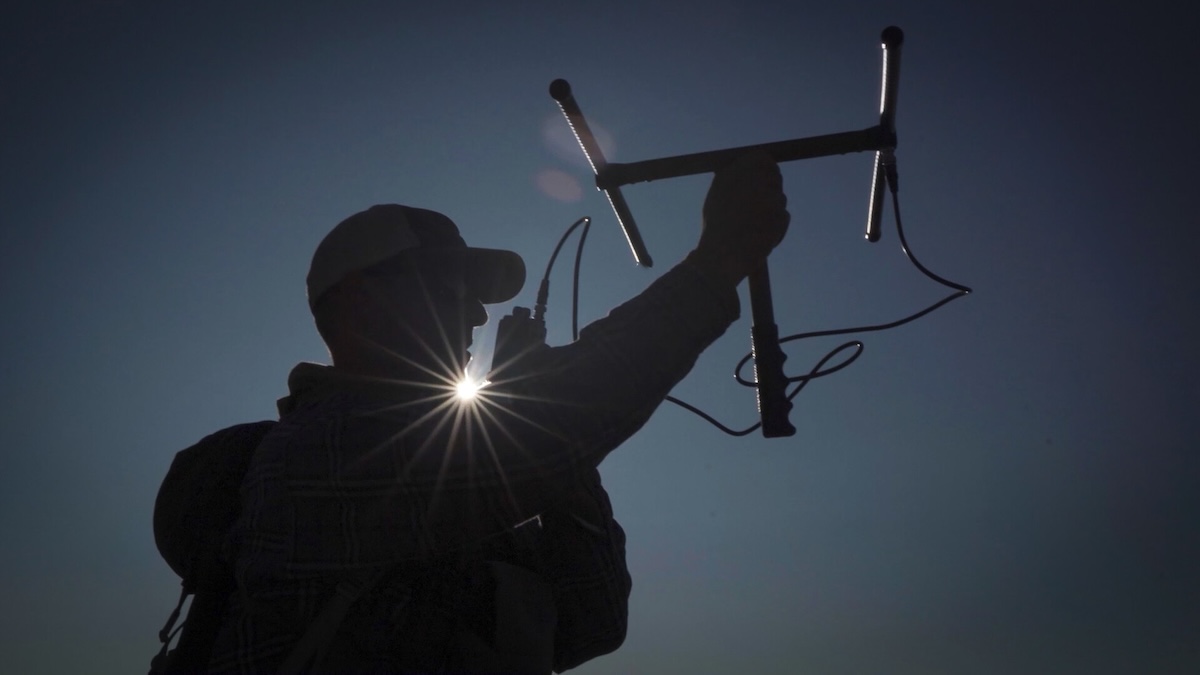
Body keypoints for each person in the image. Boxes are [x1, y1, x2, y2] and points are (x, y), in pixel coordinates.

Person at [204, 150, 789, 673]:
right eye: (451, 287)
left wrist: (530, 404)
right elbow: (551, 435)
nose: (479, 316)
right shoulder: (321, 451)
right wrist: (716, 262)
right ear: (363, 300)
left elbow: (592, 623)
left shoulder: (455, 492)